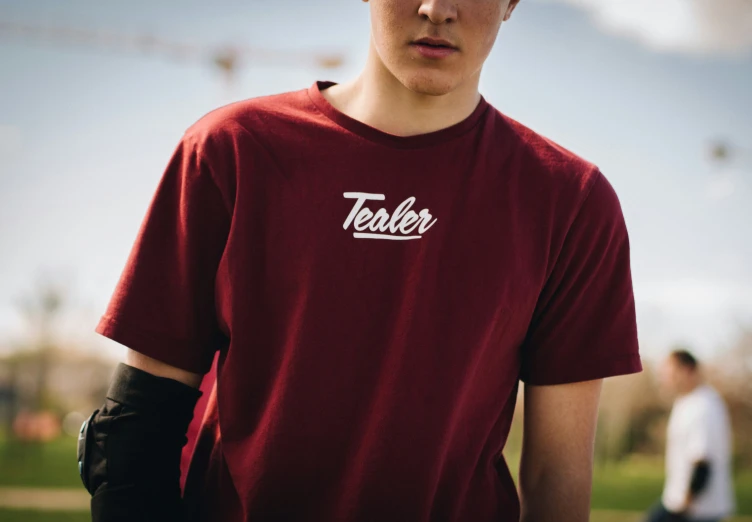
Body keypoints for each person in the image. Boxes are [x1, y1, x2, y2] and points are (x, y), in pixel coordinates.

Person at [77, 1, 644, 521]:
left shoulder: (571, 201)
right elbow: (137, 435)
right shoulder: (230, 150)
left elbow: (556, 476)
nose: (436, 9)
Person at [646, 350, 735, 522]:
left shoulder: (703, 407)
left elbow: (702, 463)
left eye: (669, 373)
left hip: (698, 510)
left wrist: (686, 504)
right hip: (678, 502)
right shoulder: (685, 402)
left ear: (686, 370)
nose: (665, 379)